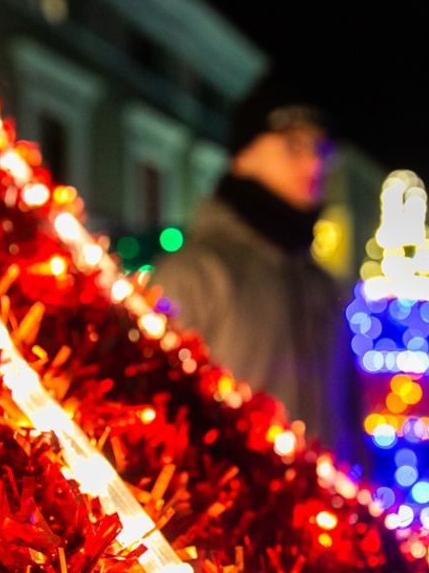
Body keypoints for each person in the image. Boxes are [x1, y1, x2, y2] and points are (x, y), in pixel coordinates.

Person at [152, 77, 355, 457]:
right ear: (242, 155)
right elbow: (153, 422)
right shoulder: (195, 274)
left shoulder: (323, 288)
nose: (313, 162)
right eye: (293, 145)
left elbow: (349, 422)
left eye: (321, 149)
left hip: (326, 512)